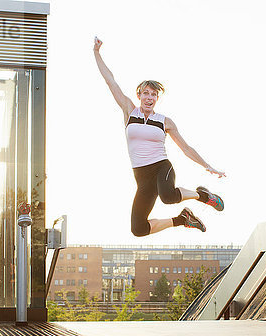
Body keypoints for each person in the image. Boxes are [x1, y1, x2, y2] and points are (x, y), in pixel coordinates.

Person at [93, 36, 226, 237]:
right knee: (138, 229)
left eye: (154, 95)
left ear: (157, 98)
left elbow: (186, 148)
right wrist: (96, 53)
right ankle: (183, 219)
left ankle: (202, 195)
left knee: (168, 197)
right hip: (141, 176)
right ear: (139, 95)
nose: (149, 98)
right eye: (146, 93)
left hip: (161, 167)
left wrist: (208, 166)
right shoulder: (129, 111)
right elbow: (110, 80)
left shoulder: (165, 122)